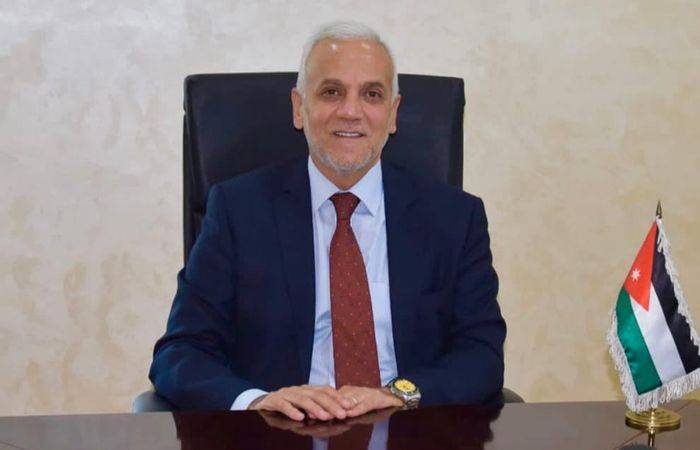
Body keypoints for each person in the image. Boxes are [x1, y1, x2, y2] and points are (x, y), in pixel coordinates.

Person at [149, 21, 505, 421]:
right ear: (299, 108)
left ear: (393, 114)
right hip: (279, 434)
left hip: (410, 428)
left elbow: (482, 354)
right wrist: (257, 401)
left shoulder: (454, 218)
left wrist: (399, 394)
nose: (351, 112)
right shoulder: (237, 211)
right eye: (332, 92)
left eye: (372, 94)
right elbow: (180, 353)